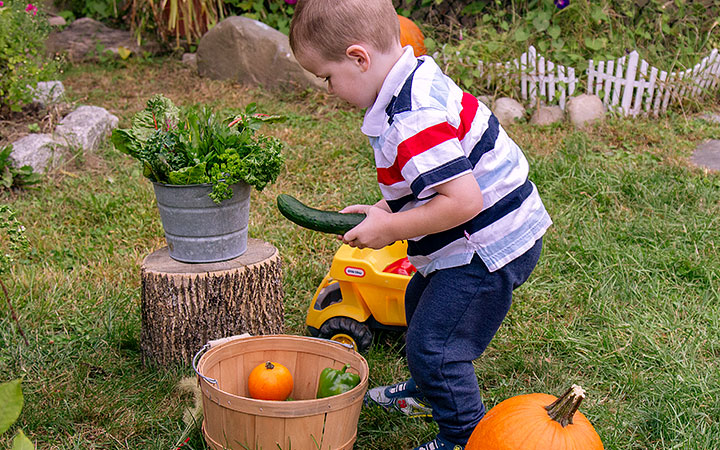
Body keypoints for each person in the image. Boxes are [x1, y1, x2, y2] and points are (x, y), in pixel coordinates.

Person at [289, 1, 552, 448]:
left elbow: (463, 201)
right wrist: (389, 210)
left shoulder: (412, 118)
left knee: (438, 347)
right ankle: (429, 391)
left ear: (359, 58)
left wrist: (390, 231)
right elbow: (434, 177)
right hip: (483, 232)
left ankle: (463, 435)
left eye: (327, 77)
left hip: (486, 246)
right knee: (417, 298)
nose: (328, 89)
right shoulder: (413, 80)